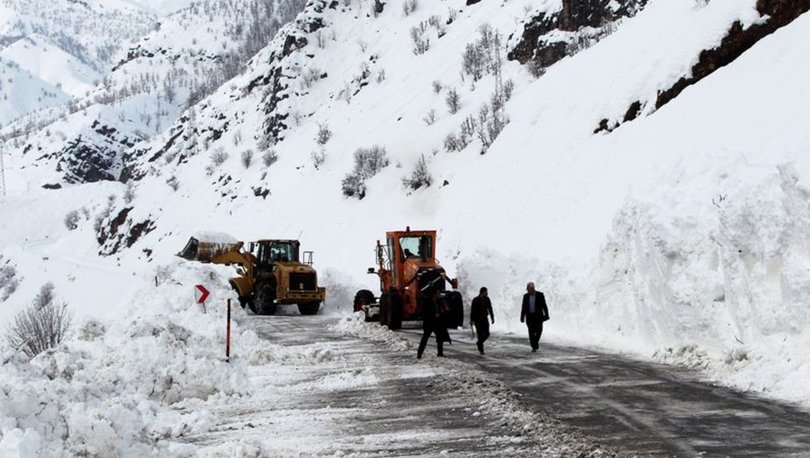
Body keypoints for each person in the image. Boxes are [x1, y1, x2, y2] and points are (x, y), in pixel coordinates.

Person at [417, 288, 448, 359]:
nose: (439, 294)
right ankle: (419, 353)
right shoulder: (427, 302)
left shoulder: (439, 301)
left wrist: (442, 312)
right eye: (437, 293)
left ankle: (440, 353)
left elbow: (442, 310)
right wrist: (433, 315)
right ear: (434, 294)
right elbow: (424, 313)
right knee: (425, 338)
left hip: (436, 323)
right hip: (429, 323)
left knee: (440, 338)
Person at [520, 282, 549, 352]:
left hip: (538, 317)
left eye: (528, 289)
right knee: (531, 332)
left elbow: (544, 306)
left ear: (532, 288)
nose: (527, 290)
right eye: (527, 289)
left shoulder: (540, 295)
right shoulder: (525, 296)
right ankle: (534, 346)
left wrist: (547, 315)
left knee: (539, 330)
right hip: (529, 317)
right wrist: (522, 317)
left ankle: (535, 343)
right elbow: (523, 307)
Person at [470, 287, 494, 355]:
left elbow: (490, 308)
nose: (487, 293)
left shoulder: (487, 299)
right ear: (482, 292)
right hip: (477, 319)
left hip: (484, 318)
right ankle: (481, 350)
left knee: (487, 333)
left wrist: (492, 317)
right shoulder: (475, 300)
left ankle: (479, 342)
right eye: (486, 292)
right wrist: (471, 320)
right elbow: (472, 311)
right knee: (480, 334)